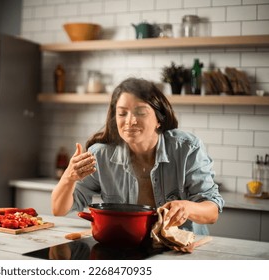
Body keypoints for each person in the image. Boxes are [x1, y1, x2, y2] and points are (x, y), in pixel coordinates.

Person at [51, 77, 224, 235]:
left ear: (159, 119)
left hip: (183, 250)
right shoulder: (100, 155)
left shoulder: (187, 149)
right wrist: (68, 178)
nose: (130, 121)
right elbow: (58, 209)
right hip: (127, 246)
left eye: (140, 112)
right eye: (122, 113)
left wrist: (187, 207)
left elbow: (212, 212)